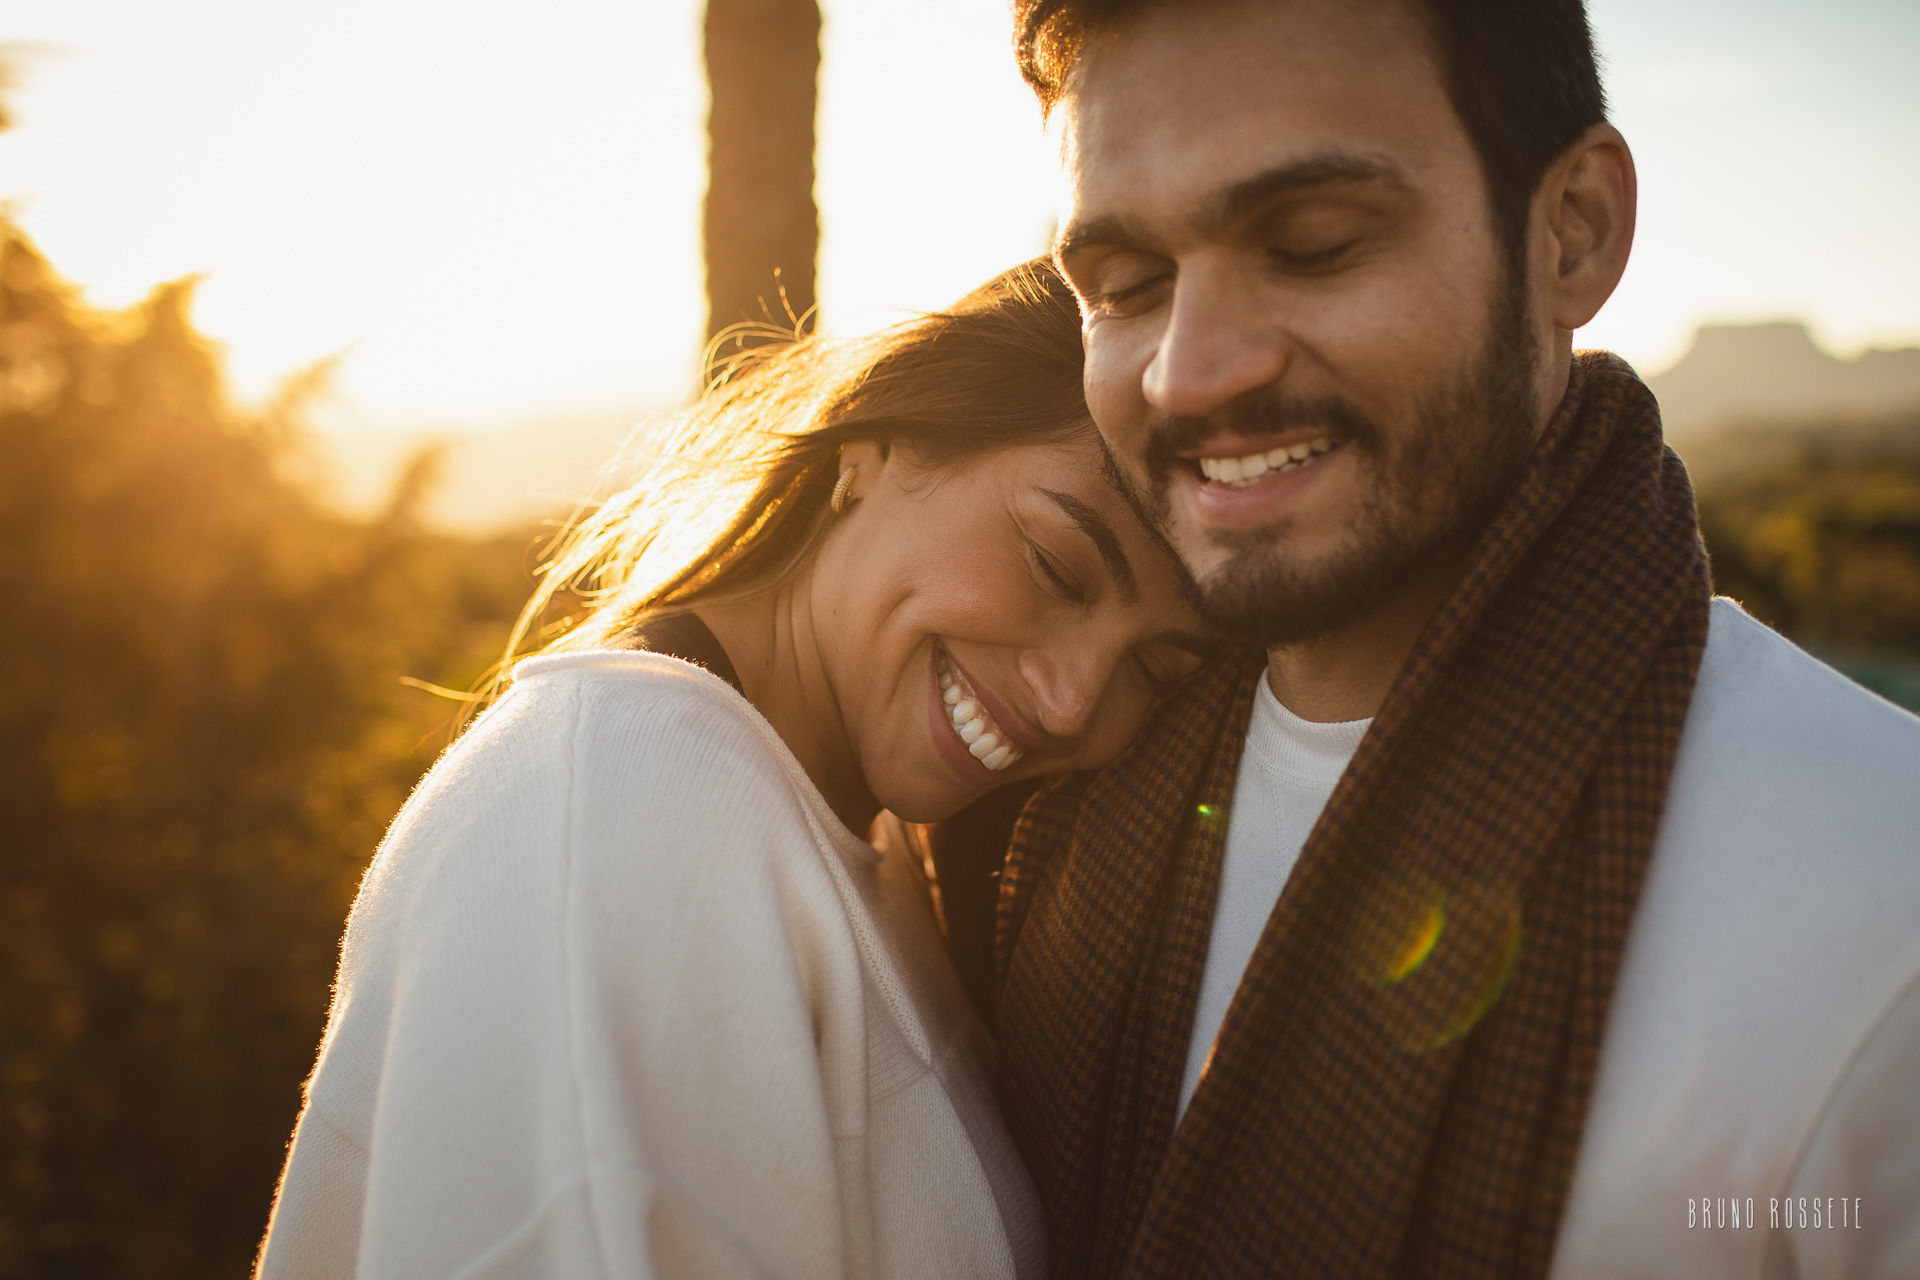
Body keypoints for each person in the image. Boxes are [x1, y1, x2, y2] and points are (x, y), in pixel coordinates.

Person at [976, 2, 1920, 1277]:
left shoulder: (1877, 909)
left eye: (1312, 244)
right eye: (1125, 288)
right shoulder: (1065, 788)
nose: (1189, 374)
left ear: (1572, 232)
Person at [253, 261, 1211, 1279]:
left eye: (1153, 667)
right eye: (1055, 563)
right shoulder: (625, 820)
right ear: (876, 449)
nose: (1074, 701)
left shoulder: (837, 837)